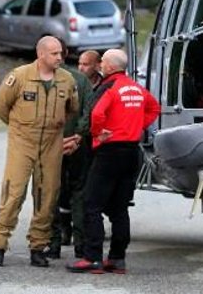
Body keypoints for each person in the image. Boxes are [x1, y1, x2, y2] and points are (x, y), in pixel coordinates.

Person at [0, 36, 79, 268]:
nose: (60, 57)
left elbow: (71, 109)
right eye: (54, 53)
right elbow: (1, 107)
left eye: (61, 53)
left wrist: (53, 127)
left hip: (51, 144)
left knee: (47, 197)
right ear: (41, 55)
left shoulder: (67, 80)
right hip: (23, 142)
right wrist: (21, 128)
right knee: (14, 193)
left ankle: (38, 247)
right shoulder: (19, 76)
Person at [67, 48, 160, 274]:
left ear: (109, 66)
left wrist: (99, 133)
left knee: (92, 205)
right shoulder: (137, 88)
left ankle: (93, 258)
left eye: (103, 63)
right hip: (131, 153)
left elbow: (96, 115)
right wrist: (136, 125)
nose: (101, 66)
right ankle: (117, 259)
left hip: (109, 153)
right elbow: (155, 108)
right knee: (120, 209)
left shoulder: (110, 87)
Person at [48, 40, 94, 259]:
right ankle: (80, 244)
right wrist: (78, 135)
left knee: (52, 193)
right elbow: (89, 111)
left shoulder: (46, 78)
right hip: (77, 145)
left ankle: (54, 243)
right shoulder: (82, 80)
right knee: (78, 192)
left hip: (50, 145)